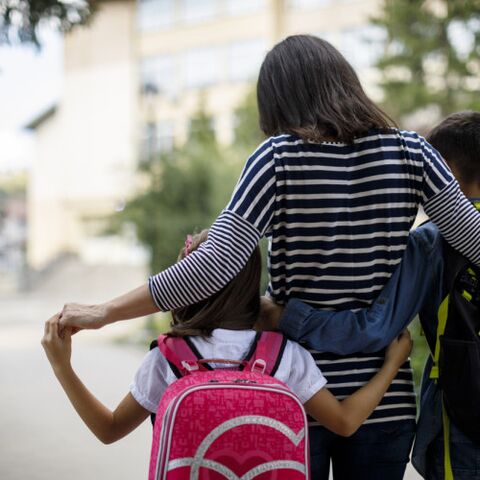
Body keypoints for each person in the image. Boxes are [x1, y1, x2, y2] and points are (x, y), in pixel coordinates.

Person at [58, 36, 480, 479]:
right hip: (384, 399)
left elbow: (211, 266)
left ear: (278, 100)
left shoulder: (277, 158)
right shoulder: (413, 153)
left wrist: (105, 311)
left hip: (292, 392)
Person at [41, 231, 413, 455]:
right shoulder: (284, 355)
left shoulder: (168, 359)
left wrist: (62, 366)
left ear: (184, 287)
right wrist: (392, 365)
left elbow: (108, 430)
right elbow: (346, 423)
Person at [260, 111, 480, 479]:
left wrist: (283, 317)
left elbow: (374, 328)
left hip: (461, 418)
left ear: (444, 170)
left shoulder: (434, 242)